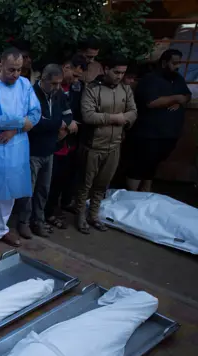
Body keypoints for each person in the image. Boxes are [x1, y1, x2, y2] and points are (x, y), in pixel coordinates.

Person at [0, 47, 41, 251]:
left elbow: (36, 113)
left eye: (19, 70)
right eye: (11, 69)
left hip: (17, 145)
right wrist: (22, 123)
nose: (16, 74)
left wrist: (13, 130)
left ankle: (2, 229)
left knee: (10, 191)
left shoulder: (24, 85)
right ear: (1, 65)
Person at [75, 54, 137, 234]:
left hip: (114, 145)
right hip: (93, 146)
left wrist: (124, 119)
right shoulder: (92, 89)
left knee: (103, 184)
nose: (119, 76)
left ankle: (94, 215)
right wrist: (115, 118)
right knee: (85, 185)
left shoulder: (125, 89)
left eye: (123, 73)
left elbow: (133, 111)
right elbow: (88, 116)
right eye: (116, 72)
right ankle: (80, 216)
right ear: (106, 69)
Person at [17, 64, 74, 239]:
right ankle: (23, 223)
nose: (58, 87)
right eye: (54, 83)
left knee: (43, 189)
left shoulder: (59, 96)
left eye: (59, 83)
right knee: (28, 190)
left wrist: (60, 124)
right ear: (44, 80)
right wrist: (58, 124)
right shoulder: (31, 95)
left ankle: (38, 221)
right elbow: (34, 124)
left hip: (50, 149)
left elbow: (68, 115)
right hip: (33, 150)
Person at [125, 49, 191, 193]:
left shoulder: (177, 78)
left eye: (179, 63)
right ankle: (131, 197)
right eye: (174, 63)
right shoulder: (150, 79)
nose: (178, 66)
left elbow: (187, 95)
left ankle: (146, 194)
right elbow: (151, 102)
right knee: (138, 166)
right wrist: (175, 99)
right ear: (164, 63)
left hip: (168, 135)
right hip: (148, 135)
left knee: (152, 166)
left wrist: (181, 99)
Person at [45, 54, 88, 227]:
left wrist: (70, 123)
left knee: (63, 179)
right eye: (75, 75)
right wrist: (63, 125)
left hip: (69, 141)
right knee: (49, 182)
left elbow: (73, 112)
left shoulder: (77, 88)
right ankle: (45, 214)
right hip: (51, 142)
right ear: (66, 67)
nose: (76, 80)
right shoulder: (51, 88)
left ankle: (55, 209)